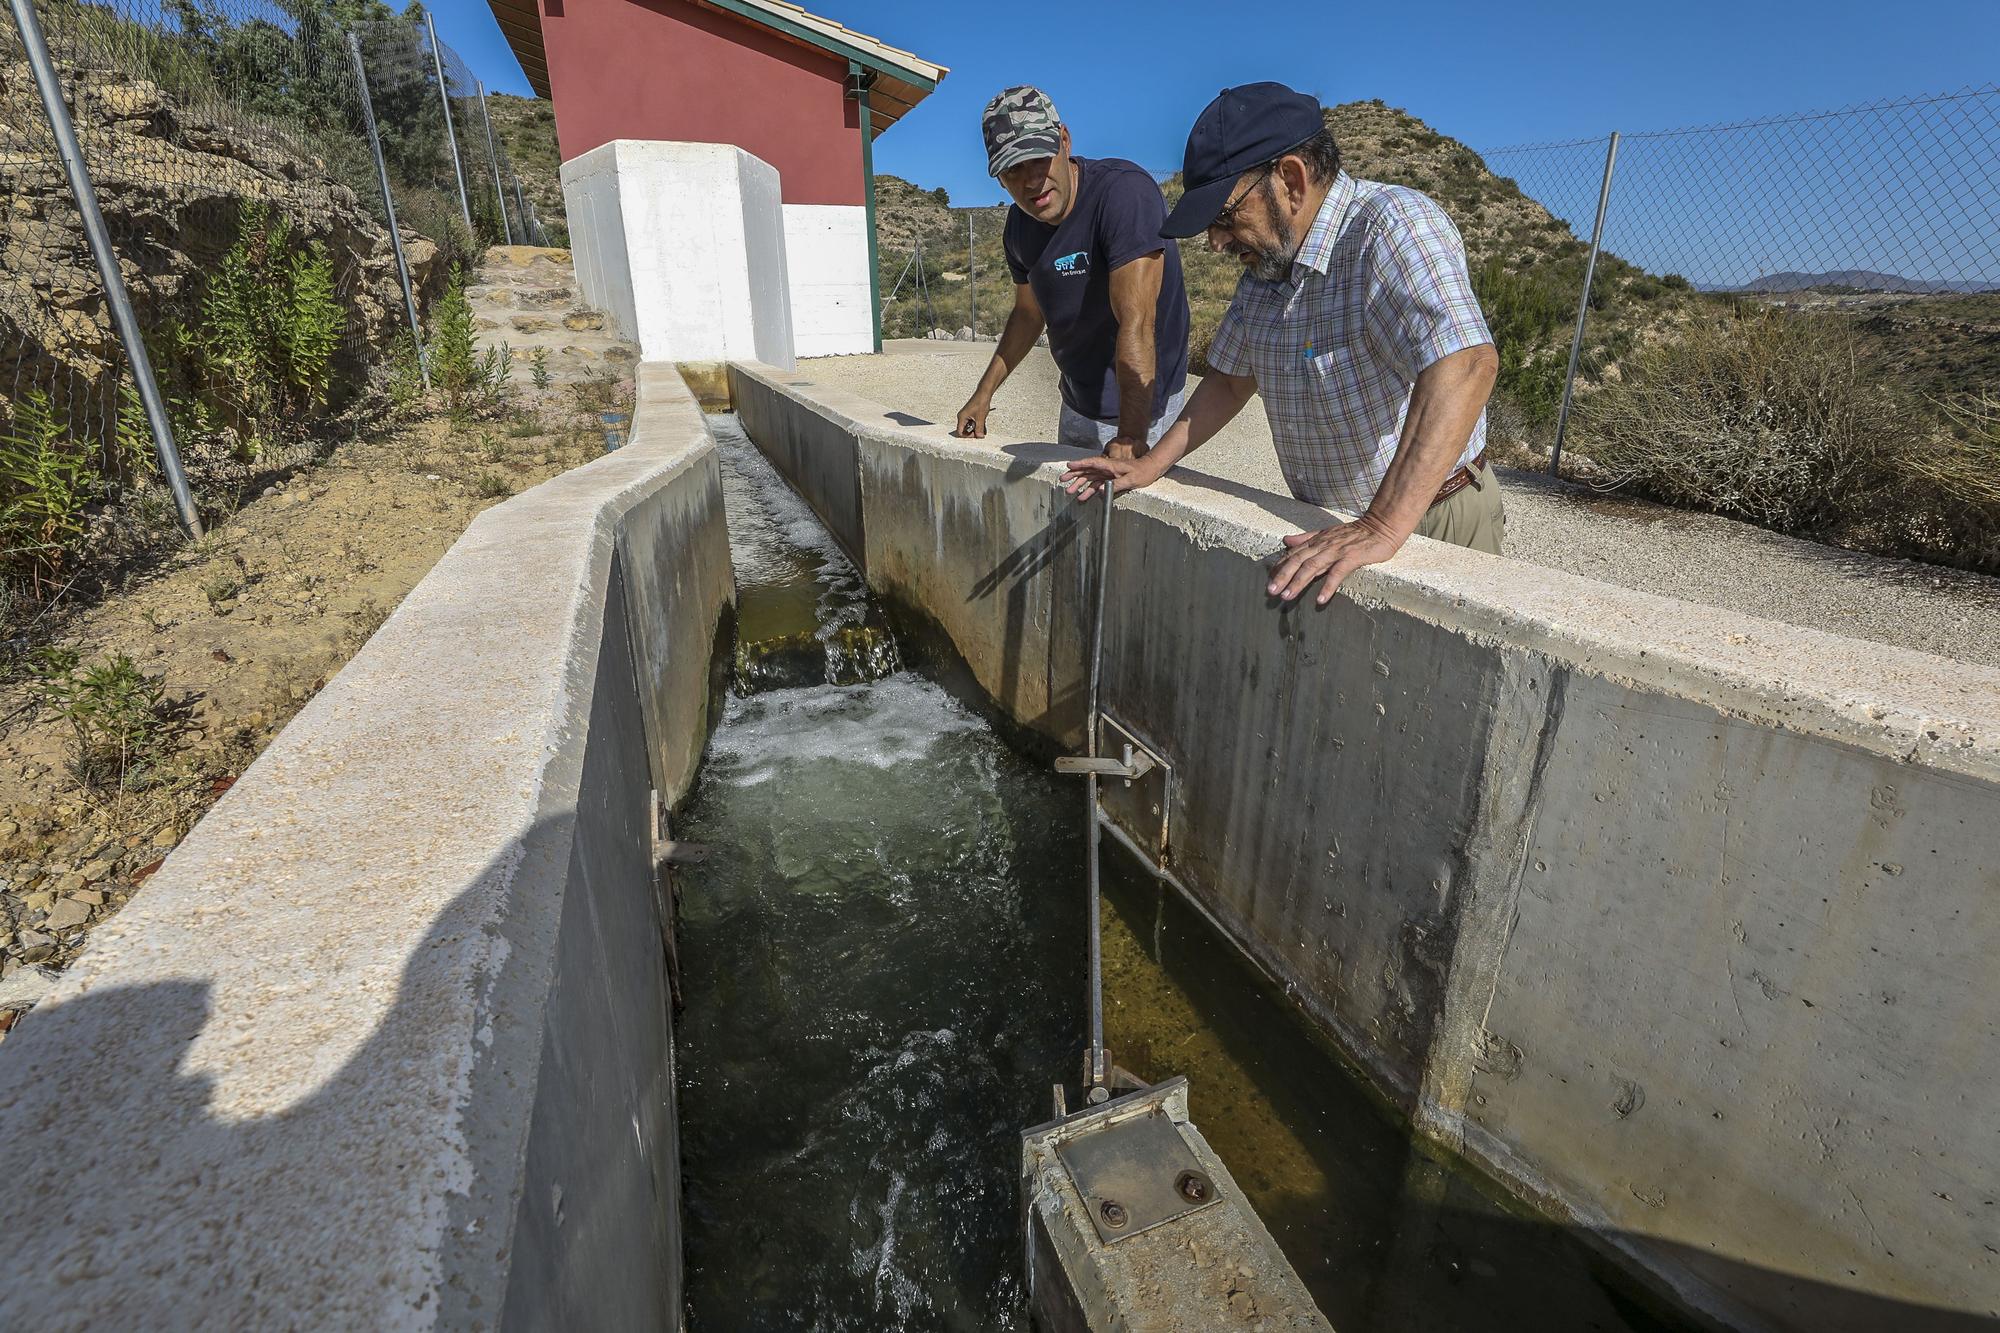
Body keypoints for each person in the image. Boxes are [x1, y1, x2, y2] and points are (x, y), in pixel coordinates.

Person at [1063, 82, 1503, 606]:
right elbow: (1228, 381)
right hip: (1334, 527)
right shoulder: (1265, 277)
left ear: (1290, 180)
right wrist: (1152, 463)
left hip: (1428, 516)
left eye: (1225, 217)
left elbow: (1467, 363)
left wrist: (1382, 524)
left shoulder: (1390, 227)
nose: (1217, 242)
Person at [952, 86, 1191, 459]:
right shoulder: (1019, 229)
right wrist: (983, 394)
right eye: (1013, 170)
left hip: (1144, 405)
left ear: (1064, 141)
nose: (1031, 181)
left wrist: (1130, 436)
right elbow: (1029, 314)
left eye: (1038, 159)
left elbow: (1137, 320)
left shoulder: (1125, 196)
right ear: (999, 180)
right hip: (1078, 403)